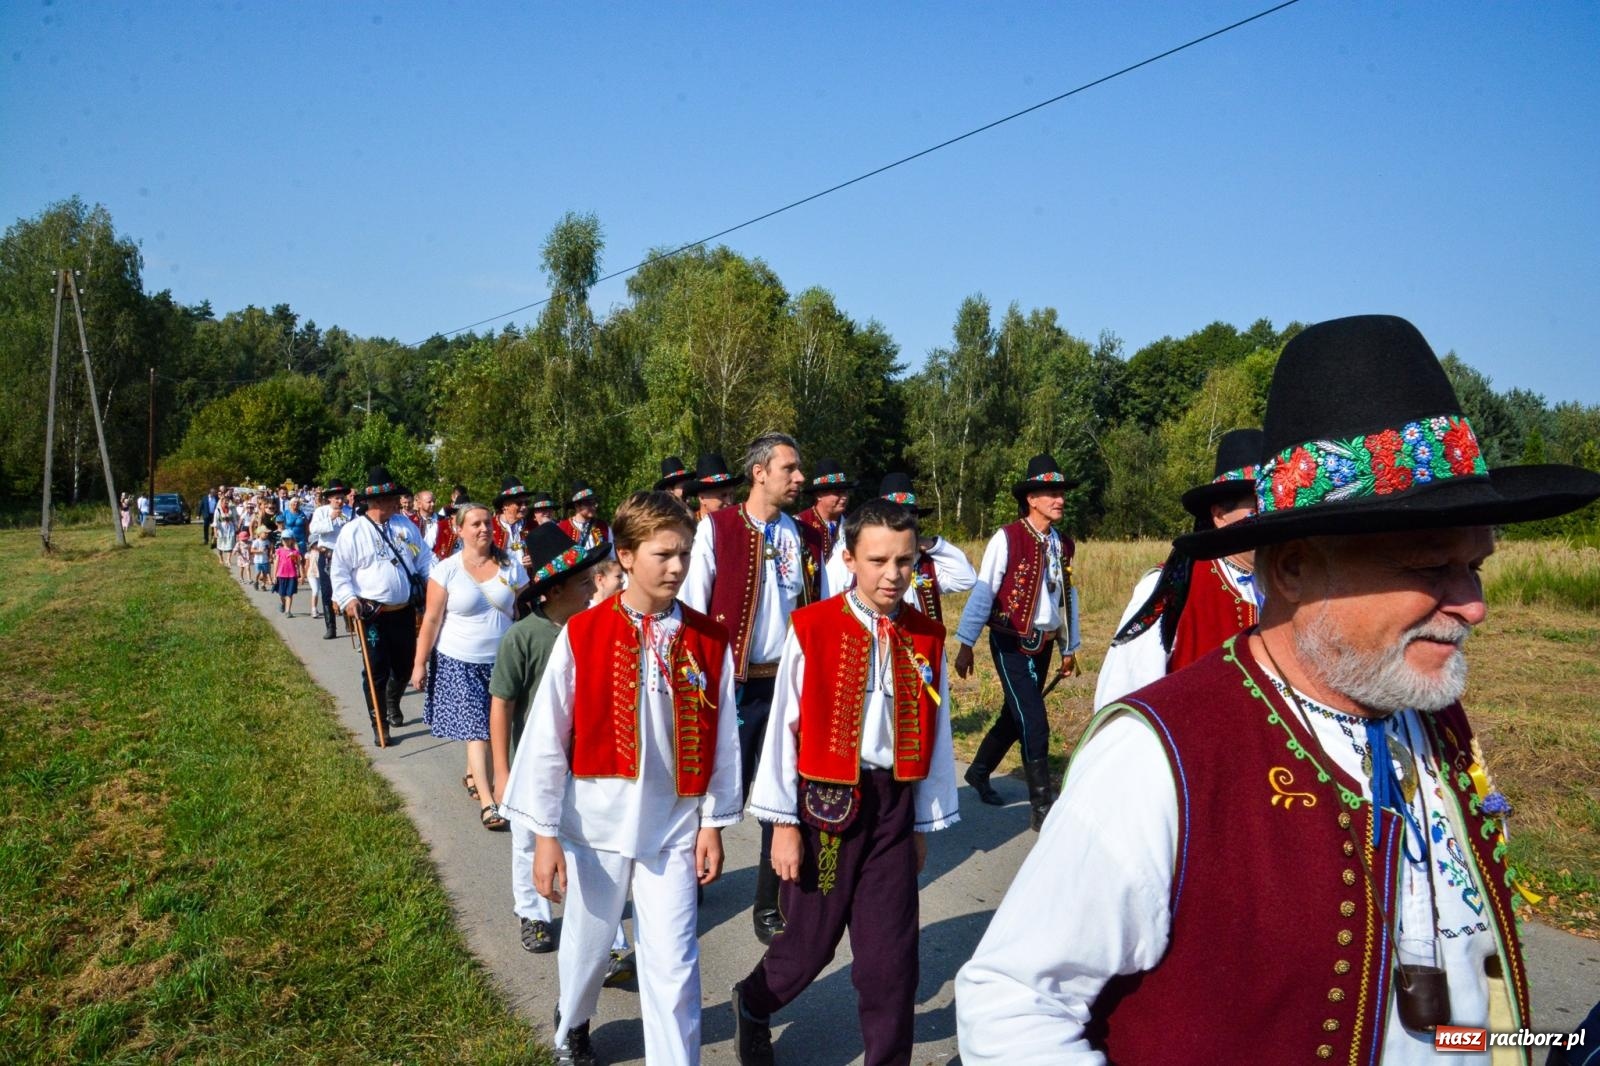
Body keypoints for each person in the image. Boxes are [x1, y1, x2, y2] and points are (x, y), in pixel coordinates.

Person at [955, 314, 1600, 1065]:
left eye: (1476, 566)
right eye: (1429, 567)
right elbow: (1014, 1004)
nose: (1472, 604)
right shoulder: (1159, 757)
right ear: (1293, 568)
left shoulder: (1438, 723)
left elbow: (1456, 996)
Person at [499, 491, 743, 1066]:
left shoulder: (709, 639)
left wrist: (713, 822)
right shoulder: (583, 634)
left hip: (675, 827)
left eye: (684, 553)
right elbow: (546, 742)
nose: (678, 567)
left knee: (674, 960)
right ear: (627, 557)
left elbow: (724, 739)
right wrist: (546, 835)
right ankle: (573, 1024)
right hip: (597, 823)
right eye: (664, 554)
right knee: (586, 947)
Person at [732, 497, 960, 1066]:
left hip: (893, 810)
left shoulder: (926, 636)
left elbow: (936, 735)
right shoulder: (813, 627)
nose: (893, 574)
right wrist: (782, 825)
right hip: (825, 808)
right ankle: (754, 1001)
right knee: (808, 946)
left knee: (892, 958)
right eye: (879, 559)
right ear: (850, 559)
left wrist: (924, 824)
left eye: (905, 561)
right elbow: (786, 728)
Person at [681, 432, 809, 944]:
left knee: (779, 793)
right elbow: (691, 607)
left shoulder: (803, 536)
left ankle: (768, 901)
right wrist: (696, 685)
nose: (800, 478)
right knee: (702, 784)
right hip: (730, 684)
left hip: (783, 682)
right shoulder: (717, 529)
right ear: (760, 472)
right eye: (790, 469)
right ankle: (686, 882)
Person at [488, 523, 610, 954]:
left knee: (591, 848)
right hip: (532, 762)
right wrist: (502, 771)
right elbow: (501, 705)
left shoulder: (595, 628)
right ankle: (534, 914)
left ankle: (606, 935)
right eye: (582, 584)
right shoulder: (522, 638)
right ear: (553, 591)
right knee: (527, 841)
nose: (592, 591)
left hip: (586, 762)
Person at [1094, 428, 1266, 709]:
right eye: (1259, 507)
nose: (1272, 519)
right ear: (1220, 516)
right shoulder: (1172, 587)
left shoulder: (1291, 590)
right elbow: (1123, 701)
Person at [953, 454, 1082, 826]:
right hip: (1009, 641)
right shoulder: (1007, 537)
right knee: (1035, 721)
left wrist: (1068, 647)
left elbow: (1066, 597)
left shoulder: (1064, 544)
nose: (1060, 499)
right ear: (1032, 499)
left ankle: (978, 771)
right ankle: (1042, 809)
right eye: (1052, 493)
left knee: (1016, 716)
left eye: (1061, 493)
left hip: (1043, 641)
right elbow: (983, 592)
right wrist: (966, 644)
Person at [412, 502, 529, 830]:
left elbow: (523, 610)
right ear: (459, 530)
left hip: (503, 661)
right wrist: (420, 663)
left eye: (488, 524)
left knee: (498, 728)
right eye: (475, 524)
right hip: (458, 661)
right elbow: (432, 619)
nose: (484, 529)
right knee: (477, 728)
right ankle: (490, 800)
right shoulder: (445, 570)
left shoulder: (511, 566)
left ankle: (474, 774)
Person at [331, 466, 431, 745]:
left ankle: (392, 700)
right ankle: (380, 723)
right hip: (372, 614)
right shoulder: (353, 532)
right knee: (376, 668)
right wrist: (348, 599)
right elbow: (339, 573)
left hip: (404, 611)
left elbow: (423, 558)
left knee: (404, 666)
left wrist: (435, 582)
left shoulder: (404, 526)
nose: (397, 502)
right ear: (376, 502)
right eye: (391, 498)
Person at [824, 473, 977, 621]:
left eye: (909, 515)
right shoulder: (856, 551)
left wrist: (932, 545)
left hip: (918, 643)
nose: (902, 522)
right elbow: (828, 597)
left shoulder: (924, 561)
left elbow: (966, 579)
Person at [793, 458, 853, 600]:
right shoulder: (798, 525)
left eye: (845, 492)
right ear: (819, 495)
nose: (843, 497)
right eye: (837, 492)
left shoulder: (853, 529)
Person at [309, 481, 353, 640]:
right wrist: (330, 519)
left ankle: (349, 621)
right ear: (329, 499)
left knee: (347, 588)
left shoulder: (350, 512)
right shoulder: (321, 511)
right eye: (336, 498)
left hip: (345, 556)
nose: (340, 501)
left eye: (342, 498)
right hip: (327, 555)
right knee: (327, 591)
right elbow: (313, 529)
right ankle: (331, 627)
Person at [492, 477, 533, 568]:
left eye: (526, 503)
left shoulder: (533, 526)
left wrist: (534, 559)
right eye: (519, 503)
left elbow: (542, 551)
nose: (524, 507)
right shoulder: (490, 526)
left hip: (527, 579)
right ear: (505, 505)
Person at [559, 481, 611, 550]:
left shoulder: (602, 526)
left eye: (594, 503)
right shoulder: (563, 527)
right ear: (577, 506)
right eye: (588, 503)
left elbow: (611, 554)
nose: (593, 507)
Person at [689, 453, 741, 521]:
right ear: (702, 498)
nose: (729, 502)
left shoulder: (738, 523)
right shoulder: (688, 528)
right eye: (723, 495)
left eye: (731, 495)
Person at [274, 534, 303, 616]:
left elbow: (298, 564)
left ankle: (288, 611)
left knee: (289, 594)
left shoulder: (295, 552)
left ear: (292, 540)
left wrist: (301, 575)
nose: (286, 541)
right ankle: (283, 603)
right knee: (281, 593)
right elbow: (276, 563)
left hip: (292, 575)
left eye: (288, 539)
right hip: (281, 575)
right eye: (284, 539)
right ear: (282, 540)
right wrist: (274, 575)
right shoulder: (279, 550)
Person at [212, 498, 238, 567]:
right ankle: (221, 559)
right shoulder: (218, 510)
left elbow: (234, 519)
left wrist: (236, 528)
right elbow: (215, 521)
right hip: (221, 528)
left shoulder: (231, 510)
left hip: (230, 528)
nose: (226, 504)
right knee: (220, 544)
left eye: (227, 502)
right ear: (221, 502)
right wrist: (215, 532)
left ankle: (228, 560)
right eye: (225, 502)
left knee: (230, 544)